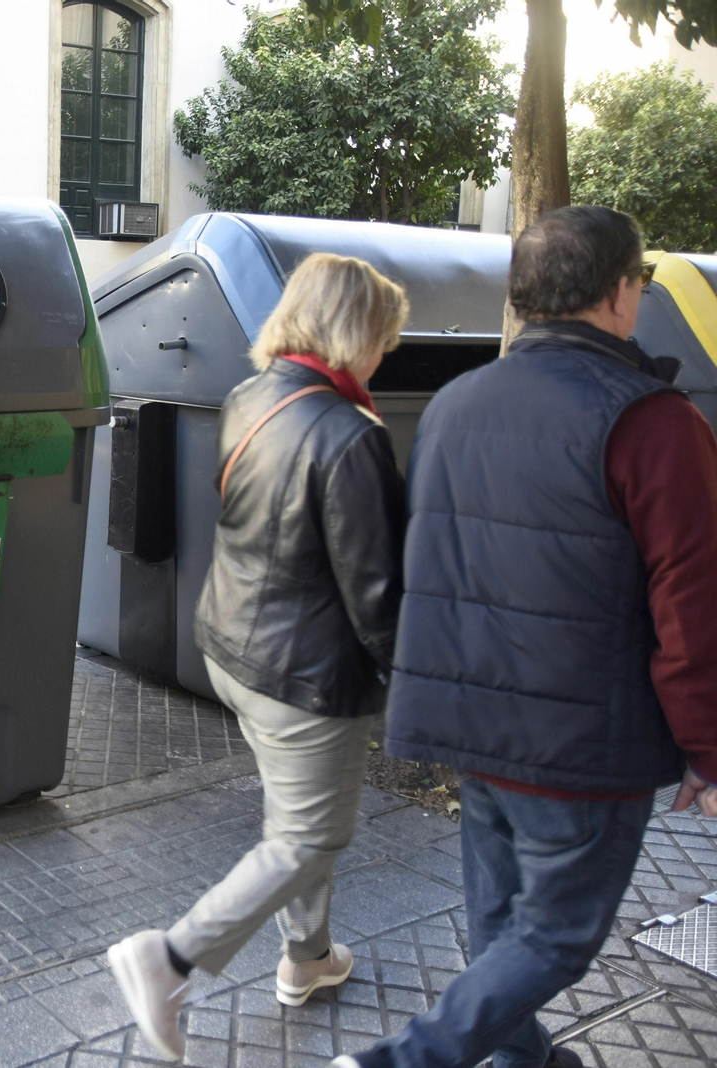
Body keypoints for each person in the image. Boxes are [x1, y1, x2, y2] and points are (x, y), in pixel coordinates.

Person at [333, 206, 717, 1068]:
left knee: (500, 920)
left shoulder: (454, 404)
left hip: (473, 724)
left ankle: (521, 1061)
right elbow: (693, 606)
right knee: (554, 936)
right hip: (581, 743)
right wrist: (708, 746)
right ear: (620, 292)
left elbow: (430, 559)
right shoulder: (654, 423)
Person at [108, 252, 410, 1061]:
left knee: (299, 811)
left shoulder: (250, 398)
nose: (384, 357)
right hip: (304, 673)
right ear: (353, 331)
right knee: (308, 839)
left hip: (233, 645)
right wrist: (416, 686)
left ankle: (308, 957)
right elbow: (377, 591)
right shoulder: (351, 435)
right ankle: (169, 959)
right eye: (383, 338)